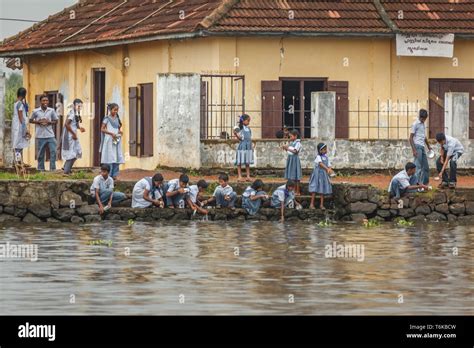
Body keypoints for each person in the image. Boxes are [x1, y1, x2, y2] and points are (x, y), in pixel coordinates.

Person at [29, 94, 59, 171]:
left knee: (53, 152)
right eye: (43, 100)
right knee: (41, 154)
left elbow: (56, 121)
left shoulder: (51, 110)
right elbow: (30, 120)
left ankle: (52, 169)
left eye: (46, 100)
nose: (45, 102)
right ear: (40, 102)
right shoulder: (35, 111)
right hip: (40, 136)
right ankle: (41, 169)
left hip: (50, 135)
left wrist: (49, 122)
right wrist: (38, 122)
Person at [100, 103, 124, 180]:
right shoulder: (106, 118)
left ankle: (115, 174)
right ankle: (109, 174)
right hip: (109, 140)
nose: (116, 111)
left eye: (117, 110)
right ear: (110, 110)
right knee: (110, 156)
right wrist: (111, 133)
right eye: (114, 110)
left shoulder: (117, 118)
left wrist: (119, 132)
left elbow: (118, 128)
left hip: (116, 139)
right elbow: (102, 129)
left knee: (116, 156)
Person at [61, 99, 85, 175]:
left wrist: (80, 128)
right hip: (69, 135)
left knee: (77, 152)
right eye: (78, 106)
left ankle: (66, 167)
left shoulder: (76, 113)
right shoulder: (71, 113)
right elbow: (67, 124)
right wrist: (73, 134)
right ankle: (66, 171)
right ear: (74, 105)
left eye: (80, 106)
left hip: (73, 135)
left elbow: (74, 124)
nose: (79, 107)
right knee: (71, 153)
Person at [309, 143, 334, 210]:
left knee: (322, 189)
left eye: (326, 149)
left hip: (323, 175)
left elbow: (329, 165)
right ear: (320, 151)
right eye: (324, 149)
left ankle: (321, 204)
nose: (326, 150)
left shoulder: (326, 157)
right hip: (317, 175)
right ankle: (311, 204)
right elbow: (320, 164)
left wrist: (330, 169)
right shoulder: (318, 157)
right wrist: (327, 169)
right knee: (314, 189)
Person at [409, 109, 431, 185]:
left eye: (424, 119)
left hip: (422, 147)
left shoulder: (423, 124)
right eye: (422, 118)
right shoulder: (415, 124)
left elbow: (424, 136)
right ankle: (415, 185)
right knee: (417, 168)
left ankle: (424, 185)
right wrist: (414, 150)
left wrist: (428, 146)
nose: (423, 120)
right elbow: (410, 138)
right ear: (419, 116)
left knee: (426, 167)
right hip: (417, 146)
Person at [11, 87, 31, 164]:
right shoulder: (20, 104)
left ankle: (18, 161)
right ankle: (18, 162)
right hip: (19, 126)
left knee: (19, 144)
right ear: (24, 94)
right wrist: (25, 129)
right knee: (18, 144)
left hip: (16, 125)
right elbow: (21, 117)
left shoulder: (16, 102)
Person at [234, 114, 253, 182]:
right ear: (243, 121)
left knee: (247, 162)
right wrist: (236, 135)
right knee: (239, 161)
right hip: (242, 146)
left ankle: (248, 176)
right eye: (248, 120)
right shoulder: (240, 128)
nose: (248, 122)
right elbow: (240, 138)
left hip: (248, 146)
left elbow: (249, 137)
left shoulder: (248, 129)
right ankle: (239, 176)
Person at [282, 129, 302, 195]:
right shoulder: (291, 143)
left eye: (291, 136)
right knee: (292, 176)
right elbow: (290, 152)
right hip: (291, 159)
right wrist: (285, 149)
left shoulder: (298, 143)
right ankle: (293, 191)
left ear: (295, 136)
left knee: (296, 177)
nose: (289, 138)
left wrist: (287, 148)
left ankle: (297, 191)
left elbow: (295, 151)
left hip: (295, 160)